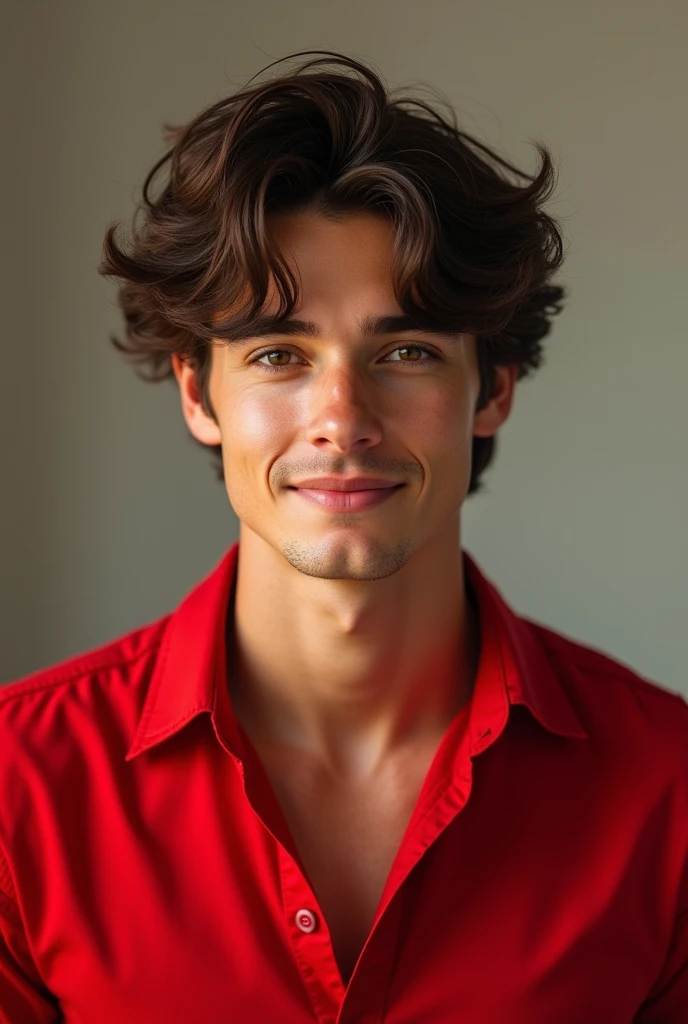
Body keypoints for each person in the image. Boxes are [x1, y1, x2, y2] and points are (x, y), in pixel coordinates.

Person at [0, 49, 685, 1024]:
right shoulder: (17, 788)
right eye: (280, 353)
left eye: (404, 351)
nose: (342, 416)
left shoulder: (670, 793)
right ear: (200, 394)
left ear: (490, 389)